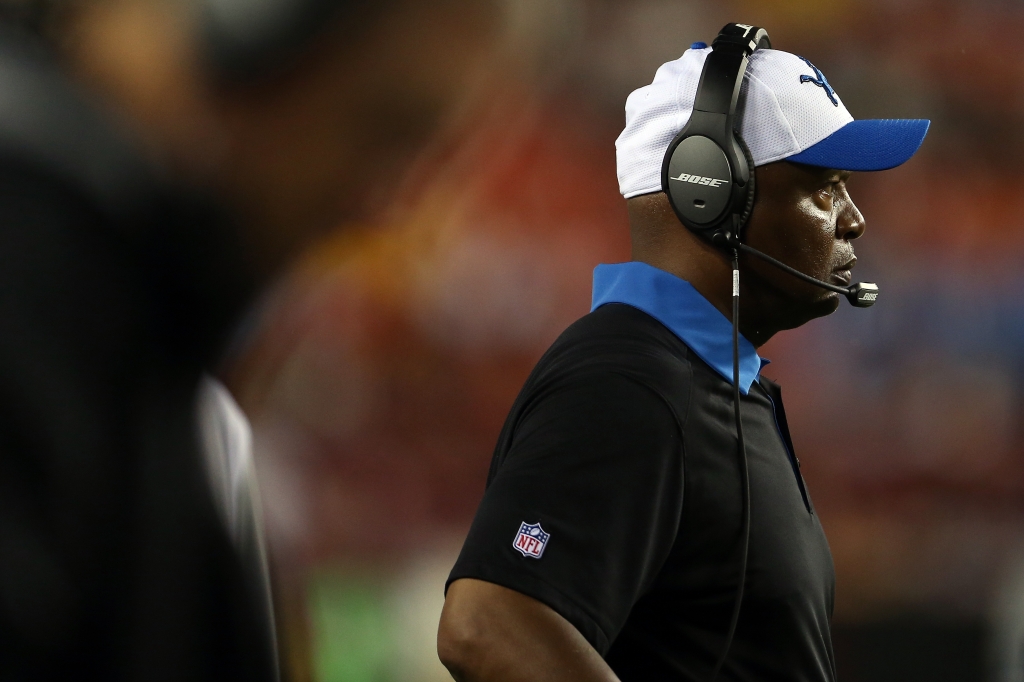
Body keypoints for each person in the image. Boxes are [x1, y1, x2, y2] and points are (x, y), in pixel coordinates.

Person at [0, 0, 497, 678]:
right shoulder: (37, 275)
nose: (382, 208)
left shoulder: (142, 339)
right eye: (379, 128)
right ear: (243, 33)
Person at [437, 31, 930, 682]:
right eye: (825, 187)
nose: (854, 218)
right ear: (713, 196)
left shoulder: (694, 379)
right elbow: (489, 623)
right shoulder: (626, 384)